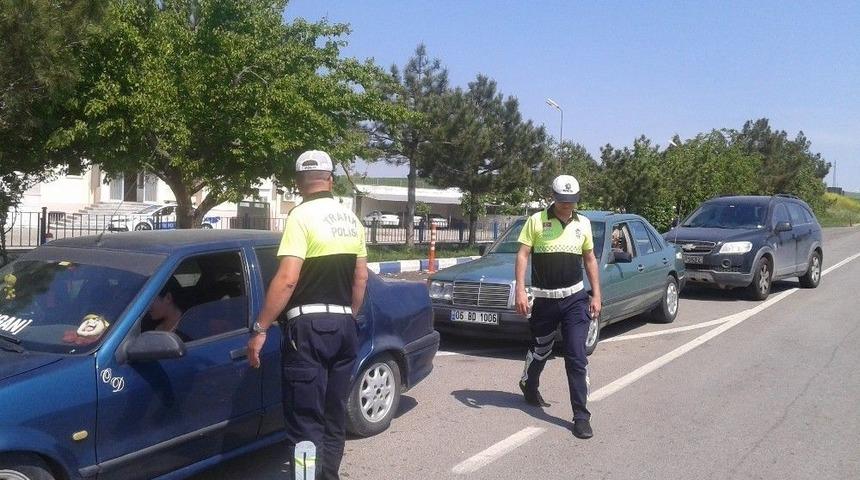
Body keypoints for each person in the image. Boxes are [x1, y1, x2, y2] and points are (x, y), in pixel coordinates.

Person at [247, 150, 368, 480]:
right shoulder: (351, 220)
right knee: (333, 416)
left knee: (304, 423)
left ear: (299, 183)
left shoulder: (301, 217)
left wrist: (260, 328)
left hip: (308, 330)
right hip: (344, 326)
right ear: (331, 179)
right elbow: (361, 278)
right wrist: (347, 317)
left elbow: (287, 279)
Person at [514, 174, 602, 439]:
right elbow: (522, 254)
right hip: (545, 300)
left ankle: (581, 416)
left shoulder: (583, 224)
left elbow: (589, 259)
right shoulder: (536, 221)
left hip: (575, 299)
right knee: (541, 348)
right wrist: (520, 289)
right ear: (553, 197)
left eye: (572, 201)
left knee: (576, 356)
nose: (567, 205)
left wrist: (596, 294)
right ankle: (529, 385)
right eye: (563, 201)